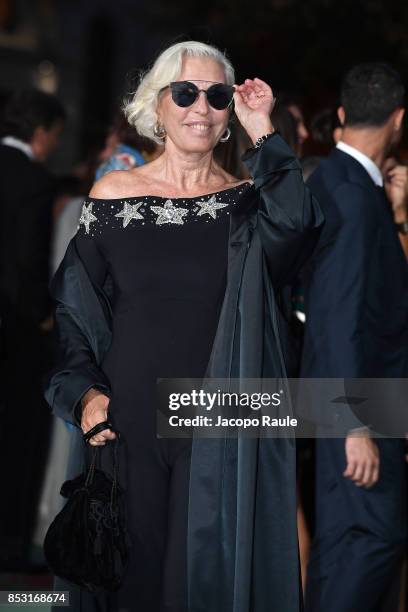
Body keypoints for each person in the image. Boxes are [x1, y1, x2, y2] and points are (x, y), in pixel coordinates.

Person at [46, 40, 323, 612]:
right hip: (127, 423)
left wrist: (263, 130)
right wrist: (84, 396)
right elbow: (75, 314)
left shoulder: (248, 203)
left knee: (199, 585)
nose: (202, 105)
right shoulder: (113, 196)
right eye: (186, 92)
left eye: (217, 95)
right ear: (159, 105)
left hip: (216, 423)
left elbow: (299, 223)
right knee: (133, 583)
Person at [301, 63, 408, 612]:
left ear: (342, 115)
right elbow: (336, 314)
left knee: (347, 542)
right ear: (399, 118)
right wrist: (352, 424)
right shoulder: (346, 191)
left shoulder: (346, 184)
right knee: (373, 537)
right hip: (359, 405)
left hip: (360, 400)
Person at [0, 88, 65, 569]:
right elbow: (27, 263)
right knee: (17, 446)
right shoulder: (34, 182)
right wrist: (44, 316)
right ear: (41, 134)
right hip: (14, 335)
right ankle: (9, 557)